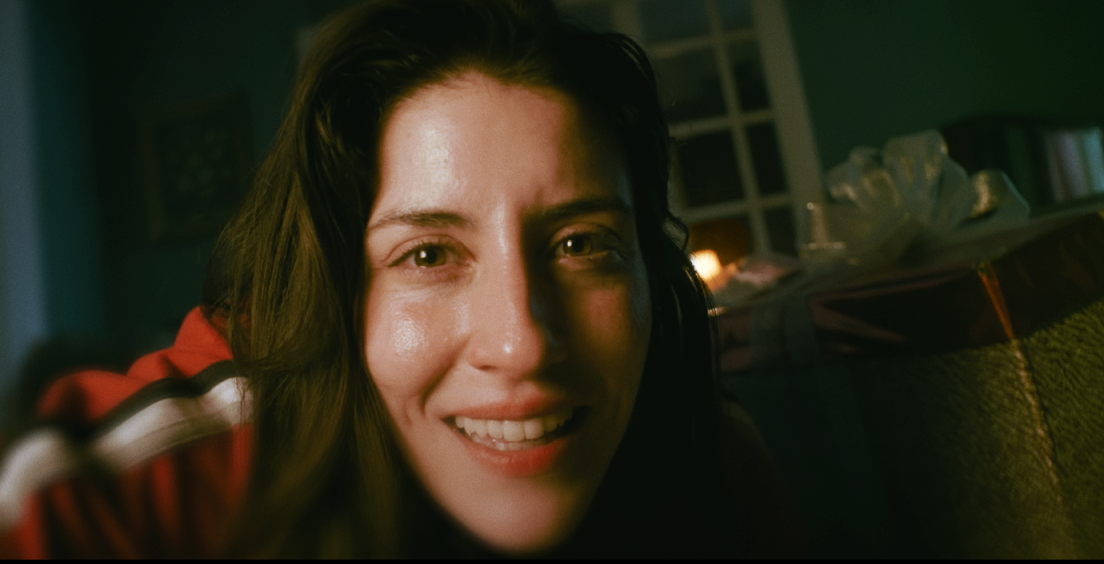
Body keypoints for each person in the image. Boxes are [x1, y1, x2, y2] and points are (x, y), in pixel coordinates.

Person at [0, 0, 801, 557]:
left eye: (580, 244)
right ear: (337, 293)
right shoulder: (169, 477)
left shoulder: (707, 465)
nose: (521, 344)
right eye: (427, 256)